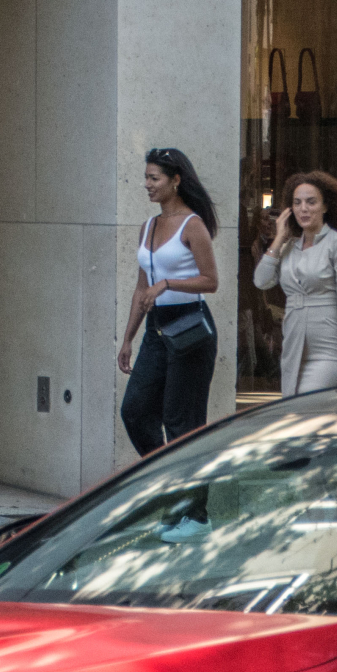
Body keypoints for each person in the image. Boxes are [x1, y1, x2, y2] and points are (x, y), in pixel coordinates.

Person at [117, 147, 221, 455]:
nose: (147, 184)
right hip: (156, 327)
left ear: (175, 180)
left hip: (190, 324)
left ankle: (190, 500)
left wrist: (166, 283)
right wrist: (127, 339)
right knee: (134, 410)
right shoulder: (148, 227)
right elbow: (141, 288)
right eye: (146, 178)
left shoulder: (193, 225)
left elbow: (211, 281)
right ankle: (162, 478)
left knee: (181, 423)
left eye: (154, 178)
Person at [252, 171, 337, 396]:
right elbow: (261, 281)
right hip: (293, 343)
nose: (304, 208)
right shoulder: (289, 246)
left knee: (309, 405)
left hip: (329, 344)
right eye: (297, 203)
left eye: (311, 202)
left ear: (325, 206)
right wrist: (279, 237)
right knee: (296, 414)